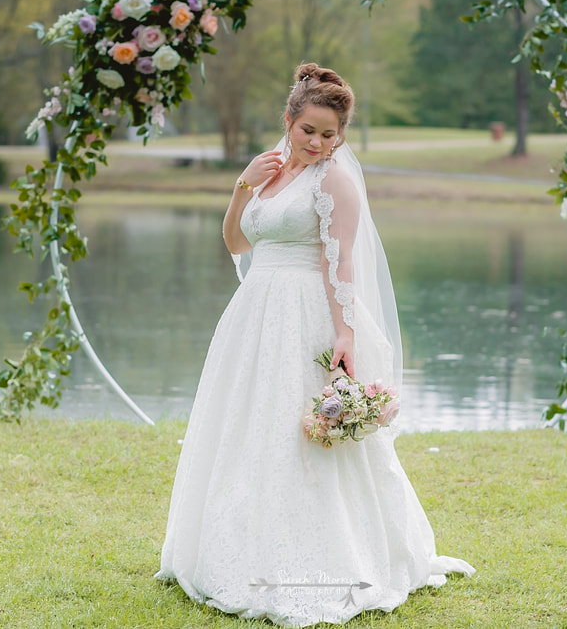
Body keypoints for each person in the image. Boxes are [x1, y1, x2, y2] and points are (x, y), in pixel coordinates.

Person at [154, 63, 475, 626]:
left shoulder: (335, 183)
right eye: (309, 131)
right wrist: (244, 185)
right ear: (289, 121)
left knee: (299, 433)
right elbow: (236, 240)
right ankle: (234, 547)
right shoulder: (270, 169)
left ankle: (330, 556)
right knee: (247, 427)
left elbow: (340, 260)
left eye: (331, 134)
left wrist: (345, 334)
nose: (320, 143)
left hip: (306, 314)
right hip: (254, 312)